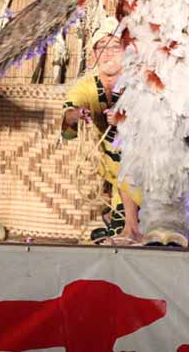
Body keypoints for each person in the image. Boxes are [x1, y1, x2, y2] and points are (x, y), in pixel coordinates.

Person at [61, 17, 143, 243]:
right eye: (101, 47)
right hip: (115, 176)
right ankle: (121, 222)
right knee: (117, 228)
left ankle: (132, 225)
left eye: (115, 46)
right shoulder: (86, 86)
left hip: (147, 172)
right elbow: (68, 117)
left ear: (126, 51)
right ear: (94, 54)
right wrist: (78, 115)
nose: (108, 53)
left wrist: (125, 120)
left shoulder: (140, 82)